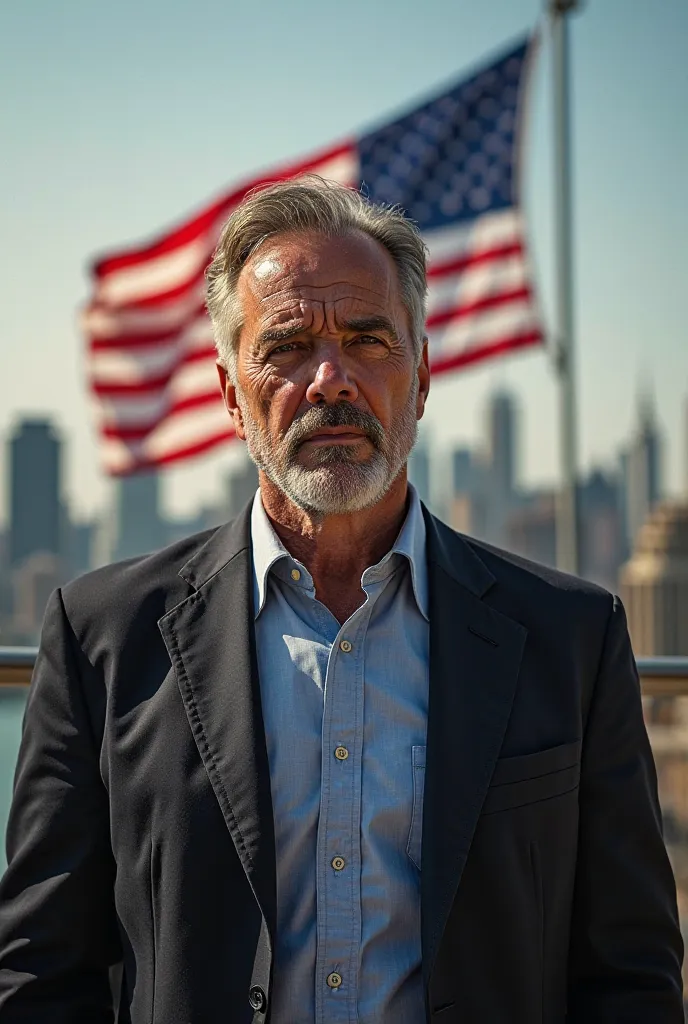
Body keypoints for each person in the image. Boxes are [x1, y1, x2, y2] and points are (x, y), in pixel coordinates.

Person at [0, 178, 683, 1023]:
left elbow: (632, 976)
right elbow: (40, 971)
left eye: (368, 340)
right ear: (228, 394)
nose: (331, 379)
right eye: (287, 346)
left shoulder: (571, 639)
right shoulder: (102, 638)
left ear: (423, 379)